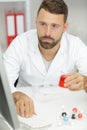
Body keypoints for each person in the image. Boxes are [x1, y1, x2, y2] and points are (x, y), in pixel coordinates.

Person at [3, 0, 87, 118]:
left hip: (64, 110)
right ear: (36, 22)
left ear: (64, 27)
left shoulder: (76, 46)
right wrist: (16, 95)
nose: (47, 33)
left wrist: (85, 82)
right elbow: (3, 83)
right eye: (43, 24)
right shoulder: (20, 43)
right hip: (27, 112)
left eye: (54, 26)